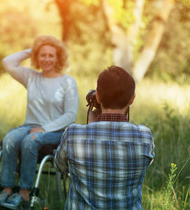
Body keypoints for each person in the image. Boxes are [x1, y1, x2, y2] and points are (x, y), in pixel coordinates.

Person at [0, 35, 79, 209]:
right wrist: (34, 49)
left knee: (29, 142)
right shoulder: (31, 77)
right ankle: (7, 191)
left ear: (58, 58)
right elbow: (7, 62)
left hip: (56, 131)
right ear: (37, 58)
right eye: (43, 55)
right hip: (29, 126)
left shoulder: (67, 82)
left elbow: (70, 115)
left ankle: (24, 194)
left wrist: (44, 129)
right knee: (9, 139)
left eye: (51, 55)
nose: (47, 59)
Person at [54, 66, 155, 210]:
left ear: (98, 97)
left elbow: (60, 166)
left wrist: (90, 127)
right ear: (132, 99)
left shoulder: (73, 134)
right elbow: (146, 163)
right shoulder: (144, 136)